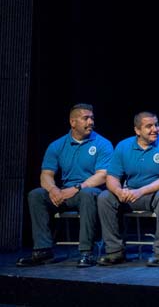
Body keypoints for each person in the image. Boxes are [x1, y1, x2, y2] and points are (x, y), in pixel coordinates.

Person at [17, 104, 113, 268]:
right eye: (86, 118)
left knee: (87, 194)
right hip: (64, 192)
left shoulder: (102, 144)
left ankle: (86, 252)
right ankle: (43, 250)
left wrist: (77, 188)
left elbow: (103, 175)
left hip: (89, 192)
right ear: (73, 122)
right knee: (36, 194)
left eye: (92, 118)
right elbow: (46, 174)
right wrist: (54, 190)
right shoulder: (57, 145)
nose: (90, 122)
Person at [97, 112, 159, 266]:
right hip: (131, 194)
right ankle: (114, 251)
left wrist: (140, 191)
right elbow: (112, 177)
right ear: (137, 130)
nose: (155, 129)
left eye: (156, 125)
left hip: (155, 193)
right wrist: (119, 191)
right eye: (149, 126)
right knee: (105, 197)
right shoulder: (123, 146)